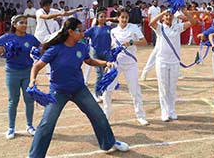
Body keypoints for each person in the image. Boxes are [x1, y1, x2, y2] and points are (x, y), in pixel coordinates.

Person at [27, 18, 129, 157]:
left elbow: (89, 60)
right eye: (79, 30)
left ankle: (108, 143)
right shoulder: (55, 49)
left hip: (79, 89)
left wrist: (105, 63)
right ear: (70, 32)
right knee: (46, 124)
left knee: (98, 115)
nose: (83, 33)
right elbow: (37, 66)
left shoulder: (81, 47)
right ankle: (35, 156)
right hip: (58, 91)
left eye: (83, 30)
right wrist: (32, 80)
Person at [0, 15, 41, 140]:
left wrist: (44, 49)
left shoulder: (30, 38)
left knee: (29, 99)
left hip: (27, 72)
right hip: (12, 72)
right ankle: (11, 128)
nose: (24, 25)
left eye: (25, 23)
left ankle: (30, 126)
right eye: (21, 23)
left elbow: (41, 46)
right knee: (13, 100)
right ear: (14, 25)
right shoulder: (8, 37)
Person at [103, 9, 149, 125]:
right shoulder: (113, 31)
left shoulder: (133, 28)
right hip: (116, 63)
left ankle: (140, 116)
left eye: (126, 17)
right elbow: (111, 48)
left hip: (131, 64)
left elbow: (144, 42)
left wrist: (131, 43)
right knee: (107, 89)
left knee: (135, 90)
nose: (124, 19)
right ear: (118, 18)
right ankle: (106, 115)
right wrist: (108, 63)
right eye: (122, 17)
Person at [149, 8, 196, 121]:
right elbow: (151, 23)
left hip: (174, 61)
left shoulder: (178, 27)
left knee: (172, 88)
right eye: (167, 16)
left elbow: (193, 22)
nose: (169, 17)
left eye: (170, 15)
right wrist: (162, 13)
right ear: (163, 17)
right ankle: (164, 112)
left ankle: (172, 110)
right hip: (162, 61)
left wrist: (184, 11)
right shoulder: (160, 28)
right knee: (163, 87)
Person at [84, 11, 113, 102]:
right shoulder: (93, 29)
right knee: (99, 73)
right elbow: (82, 35)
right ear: (97, 18)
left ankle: (104, 93)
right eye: (101, 16)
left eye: (104, 16)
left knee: (106, 74)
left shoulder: (109, 29)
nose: (103, 18)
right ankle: (96, 93)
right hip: (95, 53)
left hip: (106, 53)